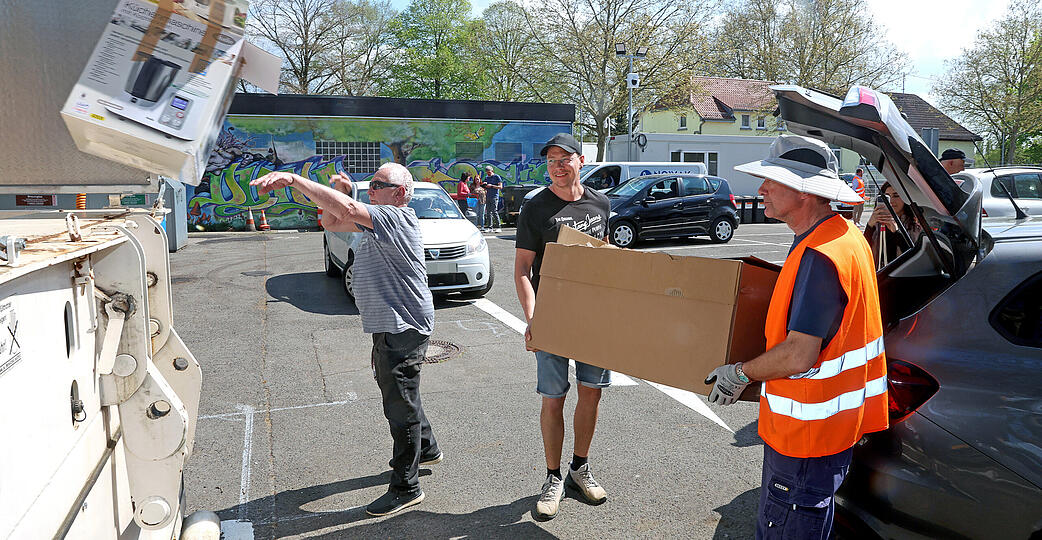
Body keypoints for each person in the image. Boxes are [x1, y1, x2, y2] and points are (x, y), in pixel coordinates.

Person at [704, 135, 889, 540]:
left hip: (805, 438)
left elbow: (798, 355)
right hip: (831, 430)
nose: (761, 189)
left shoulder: (819, 255)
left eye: (772, 181)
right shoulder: (843, 236)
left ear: (804, 191)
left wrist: (740, 373)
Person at [249, 163, 441, 517]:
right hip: (391, 324)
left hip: (403, 326)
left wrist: (294, 180)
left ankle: (407, 487)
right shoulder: (379, 220)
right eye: (371, 184)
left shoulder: (397, 218)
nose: (372, 189)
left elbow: (348, 210)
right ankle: (426, 448)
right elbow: (332, 222)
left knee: (399, 404)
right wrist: (341, 193)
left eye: (379, 184)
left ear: (400, 193)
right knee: (401, 393)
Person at [514, 133, 611, 521]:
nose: (557, 166)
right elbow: (523, 270)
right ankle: (553, 477)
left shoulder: (601, 203)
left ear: (580, 161)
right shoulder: (536, 208)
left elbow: (607, 258)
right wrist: (534, 319)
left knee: (591, 393)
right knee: (553, 398)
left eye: (564, 158)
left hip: (595, 318)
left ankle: (579, 469)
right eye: (551, 160)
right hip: (553, 317)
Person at [864, 182, 923, 267]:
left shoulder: (914, 225)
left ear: (905, 199)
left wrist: (897, 231)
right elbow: (863, 249)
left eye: (896, 196)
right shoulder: (877, 224)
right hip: (879, 272)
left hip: (901, 272)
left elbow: (914, 256)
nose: (891, 201)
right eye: (887, 196)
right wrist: (870, 226)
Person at [482, 165, 504, 233]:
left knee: (494, 211)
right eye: (487, 172)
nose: (488, 174)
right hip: (488, 196)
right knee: (488, 212)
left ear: (492, 170)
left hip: (494, 196)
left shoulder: (497, 177)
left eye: (489, 172)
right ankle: (490, 227)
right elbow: (484, 186)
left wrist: (491, 186)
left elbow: (500, 187)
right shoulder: (486, 178)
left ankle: (498, 227)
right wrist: (484, 184)